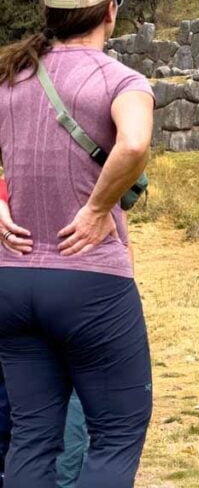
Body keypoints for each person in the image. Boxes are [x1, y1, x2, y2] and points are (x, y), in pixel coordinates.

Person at [0, 0, 154, 488]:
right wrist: (95, 209)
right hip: (90, 280)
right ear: (111, 9)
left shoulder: (11, 78)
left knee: (33, 435)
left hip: (13, 280)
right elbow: (134, 143)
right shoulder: (122, 80)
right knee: (116, 433)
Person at [0, 177, 89, 488]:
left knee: (30, 428)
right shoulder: (90, 189)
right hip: (77, 306)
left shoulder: (10, 189)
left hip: (19, 309)